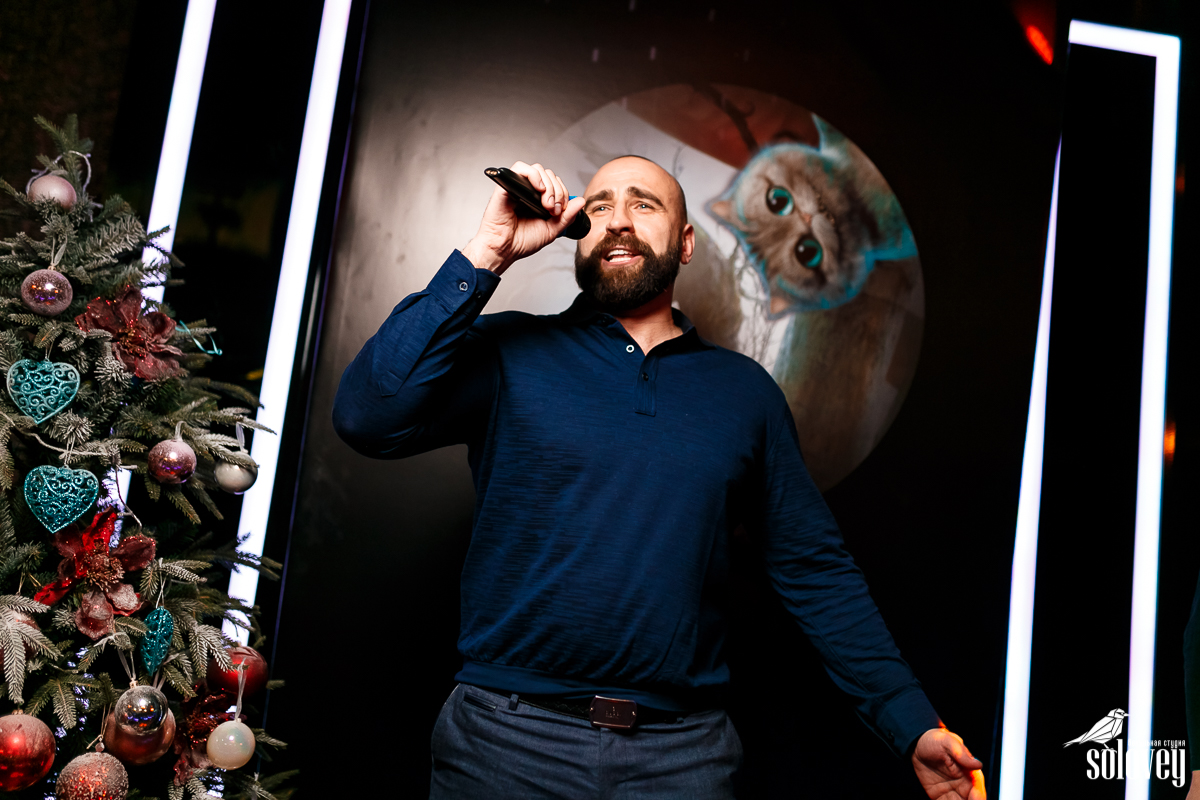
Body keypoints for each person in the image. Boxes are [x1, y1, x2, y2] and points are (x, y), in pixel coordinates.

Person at [332, 157, 986, 799]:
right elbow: (367, 415)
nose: (618, 220)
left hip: (682, 760)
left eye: (643, 204)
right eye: (600, 206)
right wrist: (488, 253)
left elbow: (815, 571)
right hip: (505, 744)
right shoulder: (508, 352)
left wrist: (913, 724)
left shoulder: (745, 395)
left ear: (687, 242)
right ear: (575, 232)